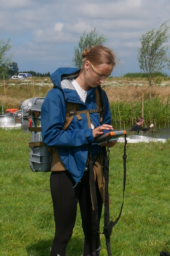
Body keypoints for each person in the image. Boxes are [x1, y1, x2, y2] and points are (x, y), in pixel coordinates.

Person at [41, 45, 117, 256]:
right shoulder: (57, 96)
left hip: (94, 170)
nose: (103, 81)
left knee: (93, 231)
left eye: (106, 76)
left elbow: (105, 124)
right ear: (86, 65)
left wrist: (108, 139)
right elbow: (51, 136)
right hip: (64, 170)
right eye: (101, 75)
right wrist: (89, 135)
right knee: (64, 233)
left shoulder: (100, 97)